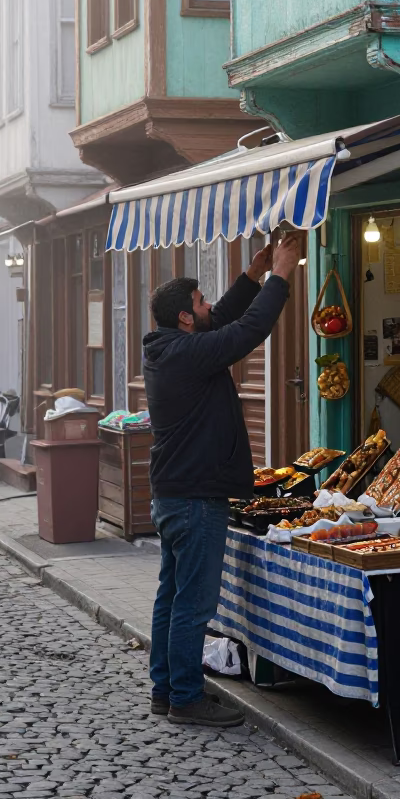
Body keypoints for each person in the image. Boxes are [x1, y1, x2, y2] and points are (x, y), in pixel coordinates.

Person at [143, 232, 302, 728]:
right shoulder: (186, 354)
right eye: (200, 300)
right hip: (195, 499)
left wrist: (252, 277)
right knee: (193, 604)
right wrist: (281, 275)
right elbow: (244, 332)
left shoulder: (171, 346)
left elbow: (225, 320)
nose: (207, 304)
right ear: (186, 318)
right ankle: (187, 698)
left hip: (176, 495)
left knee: (171, 598)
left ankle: (165, 689)